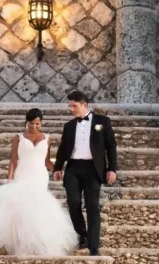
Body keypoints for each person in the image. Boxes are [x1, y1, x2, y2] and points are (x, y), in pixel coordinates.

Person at [0, 108, 80, 256]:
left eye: (37, 124)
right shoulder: (18, 138)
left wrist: (56, 170)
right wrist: (10, 179)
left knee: (38, 207)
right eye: (31, 124)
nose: (34, 127)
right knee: (21, 206)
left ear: (41, 123)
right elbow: (13, 160)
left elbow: (46, 161)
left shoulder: (47, 138)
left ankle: (38, 242)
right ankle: (20, 243)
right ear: (27, 122)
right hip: (23, 173)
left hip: (39, 176)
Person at [52, 90, 118, 256]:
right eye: (70, 106)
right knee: (73, 203)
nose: (71, 109)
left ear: (84, 104)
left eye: (74, 106)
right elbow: (62, 148)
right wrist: (57, 167)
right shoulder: (69, 126)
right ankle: (83, 234)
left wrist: (112, 168)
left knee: (92, 206)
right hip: (73, 168)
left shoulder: (102, 122)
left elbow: (111, 146)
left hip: (93, 169)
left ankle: (93, 247)